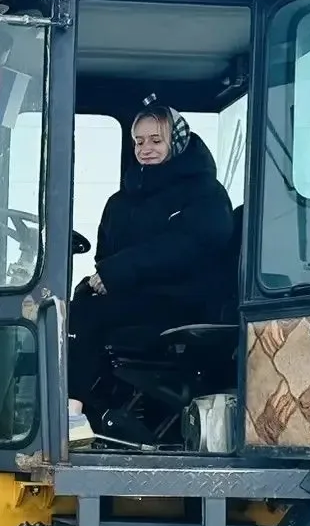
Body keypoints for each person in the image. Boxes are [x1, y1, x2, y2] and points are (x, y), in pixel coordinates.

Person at [67, 101, 236, 424]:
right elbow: (106, 254)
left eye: (156, 141)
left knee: (87, 314)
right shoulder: (122, 200)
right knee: (76, 303)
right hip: (138, 298)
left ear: (177, 141)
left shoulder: (204, 193)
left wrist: (119, 272)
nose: (146, 149)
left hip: (183, 300)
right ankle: (97, 412)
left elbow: (192, 245)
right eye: (139, 142)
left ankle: (73, 413)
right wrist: (104, 278)